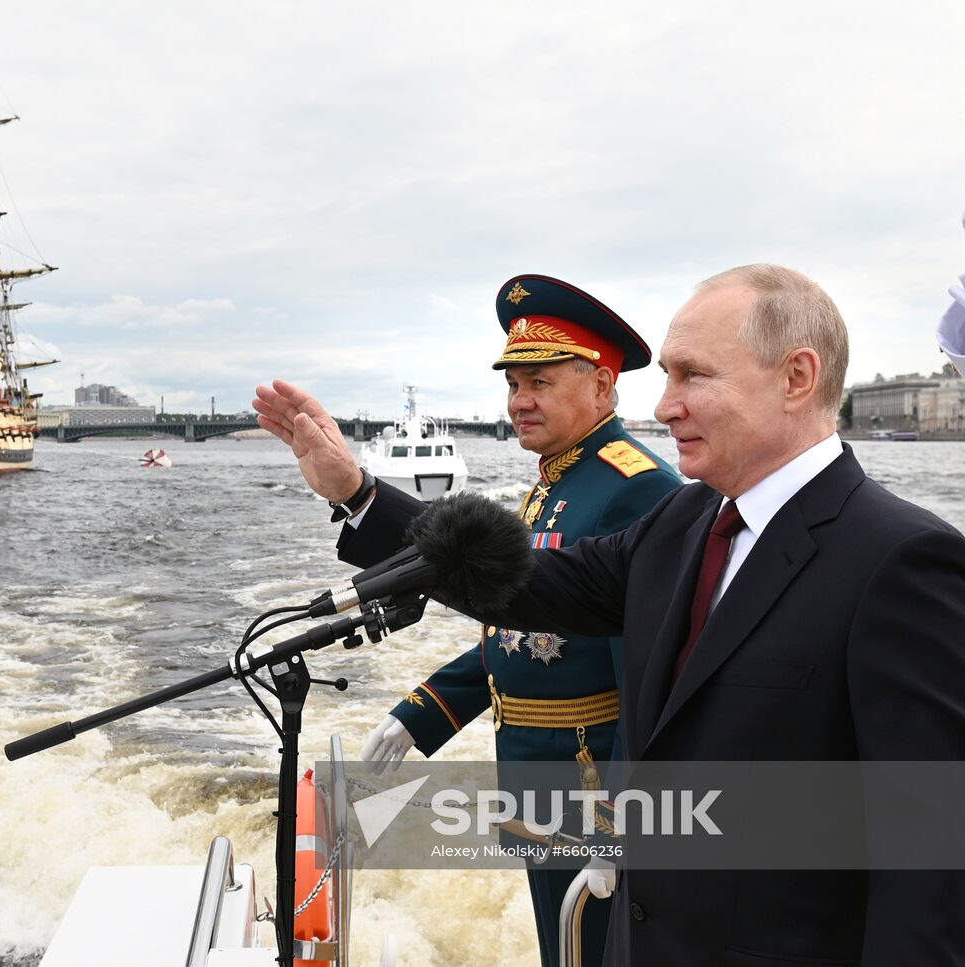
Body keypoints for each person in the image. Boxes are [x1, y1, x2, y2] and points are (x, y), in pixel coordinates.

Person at [254, 264, 965, 965]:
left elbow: (931, 857)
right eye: (668, 377)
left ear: (797, 378)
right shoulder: (685, 521)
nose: (663, 405)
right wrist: (358, 492)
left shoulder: (903, 560)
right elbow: (528, 585)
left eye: (693, 375)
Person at [353, 274, 680, 967]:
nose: (520, 401)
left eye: (540, 381)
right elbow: (527, 628)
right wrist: (427, 709)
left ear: (601, 385)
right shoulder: (554, 482)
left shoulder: (638, 487)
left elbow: (649, 676)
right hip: (539, 783)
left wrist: (622, 827)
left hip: (591, 793)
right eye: (513, 384)